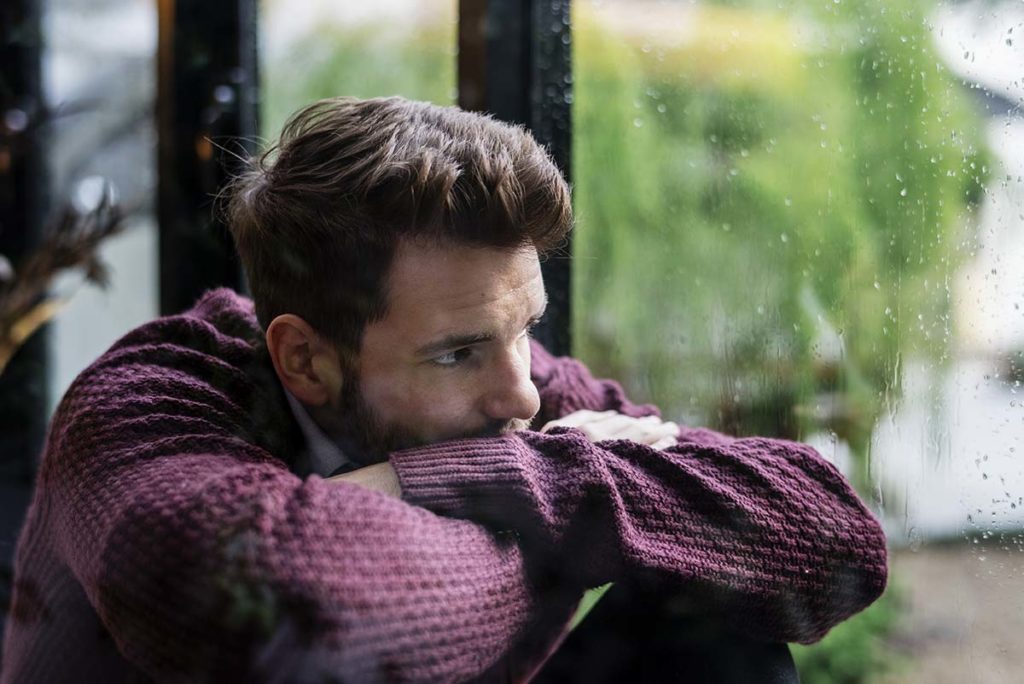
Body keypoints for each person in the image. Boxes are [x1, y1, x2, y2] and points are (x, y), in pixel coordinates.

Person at [1, 96, 887, 683]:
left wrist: (488, 482)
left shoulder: (520, 386)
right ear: (306, 360)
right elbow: (288, 618)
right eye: (458, 353)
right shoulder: (141, 407)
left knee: (721, 636)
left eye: (526, 327)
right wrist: (589, 523)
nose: (524, 400)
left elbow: (833, 546)